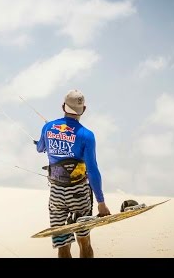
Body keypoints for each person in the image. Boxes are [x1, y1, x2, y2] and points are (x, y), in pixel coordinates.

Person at [35, 89, 110, 258]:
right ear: (83, 110)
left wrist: (45, 141)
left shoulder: (48, 127)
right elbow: (92, 170)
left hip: (56, 195)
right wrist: (101, 202)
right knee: (84, 243)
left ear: (63, 106)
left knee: (62, 246)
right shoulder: (87, 135)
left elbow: (40, 148)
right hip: (79, 194)